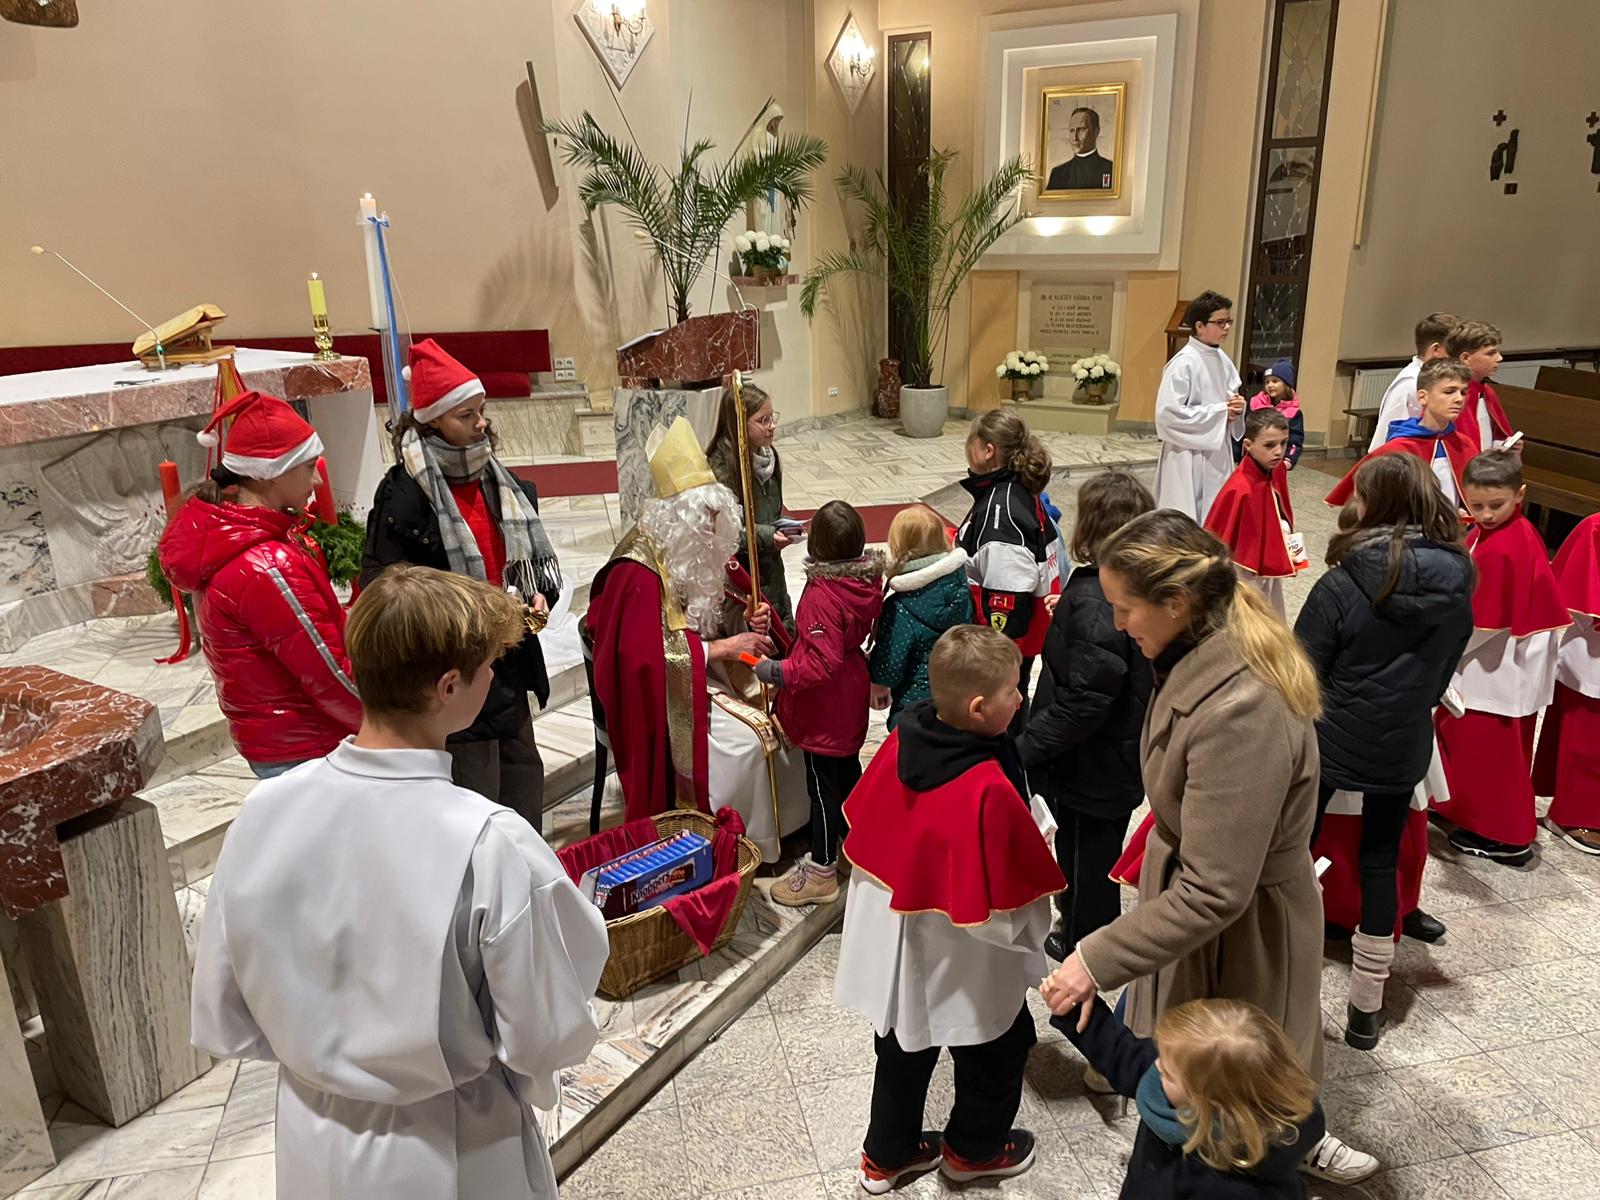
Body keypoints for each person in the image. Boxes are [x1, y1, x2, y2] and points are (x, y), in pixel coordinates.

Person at [190, 564, 608, 1200]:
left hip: (310, 1134)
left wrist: (327, 1054)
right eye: (488, 666)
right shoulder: (488, 841)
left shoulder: (263, 812)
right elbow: (547, 1031)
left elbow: (225, 1009)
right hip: (450, 1143)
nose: (494, 677)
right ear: (448, 687)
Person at [1040, 511, 1377, 1186]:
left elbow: (1215, 889)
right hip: (1209, 917)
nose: (1118, 624)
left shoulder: (1243, 708)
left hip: (1243, 934)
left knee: (1238, 1094)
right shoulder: (1195, 650)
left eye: (1125, 607)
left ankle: (1279, 1149)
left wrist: (1094, 960)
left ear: (1177, 601)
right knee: (1190, 1080)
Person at [834, 626, 1064, 1193]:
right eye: (1013, 690)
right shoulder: (984, 787)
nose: (1021, 698)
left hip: (900, 944)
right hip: (965, 952)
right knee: (999, 1045)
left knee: (903, 1044)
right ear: (980, 708)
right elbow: (1010, 910)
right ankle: (974, 1152)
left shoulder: (900, 741)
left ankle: (886, 1157)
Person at [1294, 454, 1474, 1049]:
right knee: (1380, 862)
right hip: (1403, 742)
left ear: (1373, 504)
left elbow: (1300, 672)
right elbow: (1443, 670)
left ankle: (1282, 975)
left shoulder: (1344, 581)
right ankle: (1366, 1008)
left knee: (1292, 852)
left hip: (1331, 737)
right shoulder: (1458, 582)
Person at [584, 417, 808, 861]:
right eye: (703, 518)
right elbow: (641, 661)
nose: (712, 527)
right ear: (676, 518)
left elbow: (722, 601)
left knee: (794, 711)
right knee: (748, 746)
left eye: (716, 516)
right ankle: (743, 845)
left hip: (712, 669)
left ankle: (792, 825)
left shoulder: (697, 547)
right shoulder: (637, 573)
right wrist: (722, 649)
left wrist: (748, 618)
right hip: (672, 692)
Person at [360, 338, 561, 820]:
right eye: (466, 415)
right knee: (476, 804)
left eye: (482, 411)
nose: (481, 423)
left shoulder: (499, 480)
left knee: (523, 791)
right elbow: (391, 595)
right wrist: (472, 621)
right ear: (432, 420)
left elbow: (530, 562)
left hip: (508, 662)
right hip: (454, 673)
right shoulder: (403, 497)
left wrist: (539, 596)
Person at [159, 390, 361, 778]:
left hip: (280, 741)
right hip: (311, 745)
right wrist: (389, 728)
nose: (318, 479)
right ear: (268, 472)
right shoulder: (265, 564)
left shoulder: (231, 539)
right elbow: (328, 673)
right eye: (307, 466)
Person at [1017, 470, 1155, 963]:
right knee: (1090, 858)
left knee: (1087, 866)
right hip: (1112, 758)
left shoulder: (1099, 601)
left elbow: (1084, 702)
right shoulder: (1121, 587)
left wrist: (1024, 748)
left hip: (1090, 765)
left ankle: (1086, 951)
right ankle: (1082, 929)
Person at [1434, 451, 1570, 865]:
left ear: (1520, 495)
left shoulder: (1505, 545)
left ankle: (1505, 835)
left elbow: (1483, 623)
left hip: (1497, 662)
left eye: (1497, 504)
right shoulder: (1508, 530)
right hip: (1505, 657)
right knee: (1473, 741)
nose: (1486, 514)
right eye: (1476, 505)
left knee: (1491, 750)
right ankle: (1460, 809)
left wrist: (1441, 654)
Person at [1046, 996, 1324, 1199]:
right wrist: (1073, 1009)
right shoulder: (1180, 1073)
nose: (1156, 1067)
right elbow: (1126, 1055)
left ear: (1206, 1103)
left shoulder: (1235, 1190)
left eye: (1167, 1073)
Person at [754, 501, 885, 906]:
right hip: (849, 693)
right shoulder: (862, 581)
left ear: (818, 548)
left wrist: (776, 671)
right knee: (847, 775)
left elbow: (820, 664)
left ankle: (822, 870)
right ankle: (859, 846)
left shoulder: (823, 594)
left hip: (824, 709)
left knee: (822, 791)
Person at [956, 410, 1058, 725]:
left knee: (1003, 716)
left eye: (970, 441)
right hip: (1018, 642)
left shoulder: (1002, 512)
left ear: (989, 450)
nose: (966, 447)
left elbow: (1007, 601)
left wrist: (997, 668)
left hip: (1005, 648)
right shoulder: (1013, 488)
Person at [869, 505, 973, 729]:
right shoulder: (961, 589)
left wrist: (878, 682)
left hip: (916, 710)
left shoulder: (899, 608)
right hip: (959, 701)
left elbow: (890, 668)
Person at [1325, 359, 1477, 511]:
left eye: (1463, 392)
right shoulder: (1398, 449)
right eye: (1449, 392)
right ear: (1423, 397)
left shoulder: (1464, 444)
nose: (1459, 399)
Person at [706, 381, 798, 630]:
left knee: (782, 630)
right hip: (741, 579)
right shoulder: (721, 469)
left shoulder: (769, 456)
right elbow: (723, 534)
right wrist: (767, 536)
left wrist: (783, 529)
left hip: (771, 568)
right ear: (739, 424)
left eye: (772, 417)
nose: (772, 426)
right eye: (763, 420)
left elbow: (769, 510)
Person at [1533, 513, 1600, 855]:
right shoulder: (1595, 528)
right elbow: (1577, 588)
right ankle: (1572, 815)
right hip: (1593, 653)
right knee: (1587, 741)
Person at [1152, 291, 1247, 521]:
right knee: (1185, 516)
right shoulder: (1183, 363)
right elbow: (1167, 416)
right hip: (1186, 454)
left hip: (1216, 451)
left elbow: (1228, 399)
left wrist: (1237, 407)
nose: (1226, 327)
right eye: (1220, 322)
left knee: (1216, 516)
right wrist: (1221, 412)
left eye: (1229, 321)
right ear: (1199, 326)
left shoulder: (1222, 359)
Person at [1204, 408, 1299, 617]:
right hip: (1244, 573)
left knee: (1271, 610)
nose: (1278, 451)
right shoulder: (1239, 488)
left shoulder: (1276, 470)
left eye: (1283, 443)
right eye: (1269, 445)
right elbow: (1224, 540)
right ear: (1248, 445)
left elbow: (1278, 513)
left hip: (1267, 569)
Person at [1367, 312, 1457, 453]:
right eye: (1455, 350)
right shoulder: (1410, 384)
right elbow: (1390, 440)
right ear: (1436, 350)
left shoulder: (1437, 379)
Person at [1447, 320, 1513, 454]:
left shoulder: (1486, 390)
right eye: (1490, 353)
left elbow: (1494, 433)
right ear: (1465, 358)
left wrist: (1506, 444)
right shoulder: (1452, 396)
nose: (1499, 358)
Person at [1240, 359, 1304, 469]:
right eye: (1267, 382)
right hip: (1250, 459)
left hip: (1275, 463)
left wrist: (1289, 459)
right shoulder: (1255, 404)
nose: (1270, 385)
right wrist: (1237, 454)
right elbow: (1243, 431)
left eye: (1275, 381)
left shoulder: (1293, 413)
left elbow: (1295, 439)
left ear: (1286, 384)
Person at [1046, 105, 1114, 191]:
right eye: (1072, 130)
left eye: (1081, 129)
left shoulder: (1110, 169)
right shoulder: (1058, 174)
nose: (1075, 138)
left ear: (1096, 131)